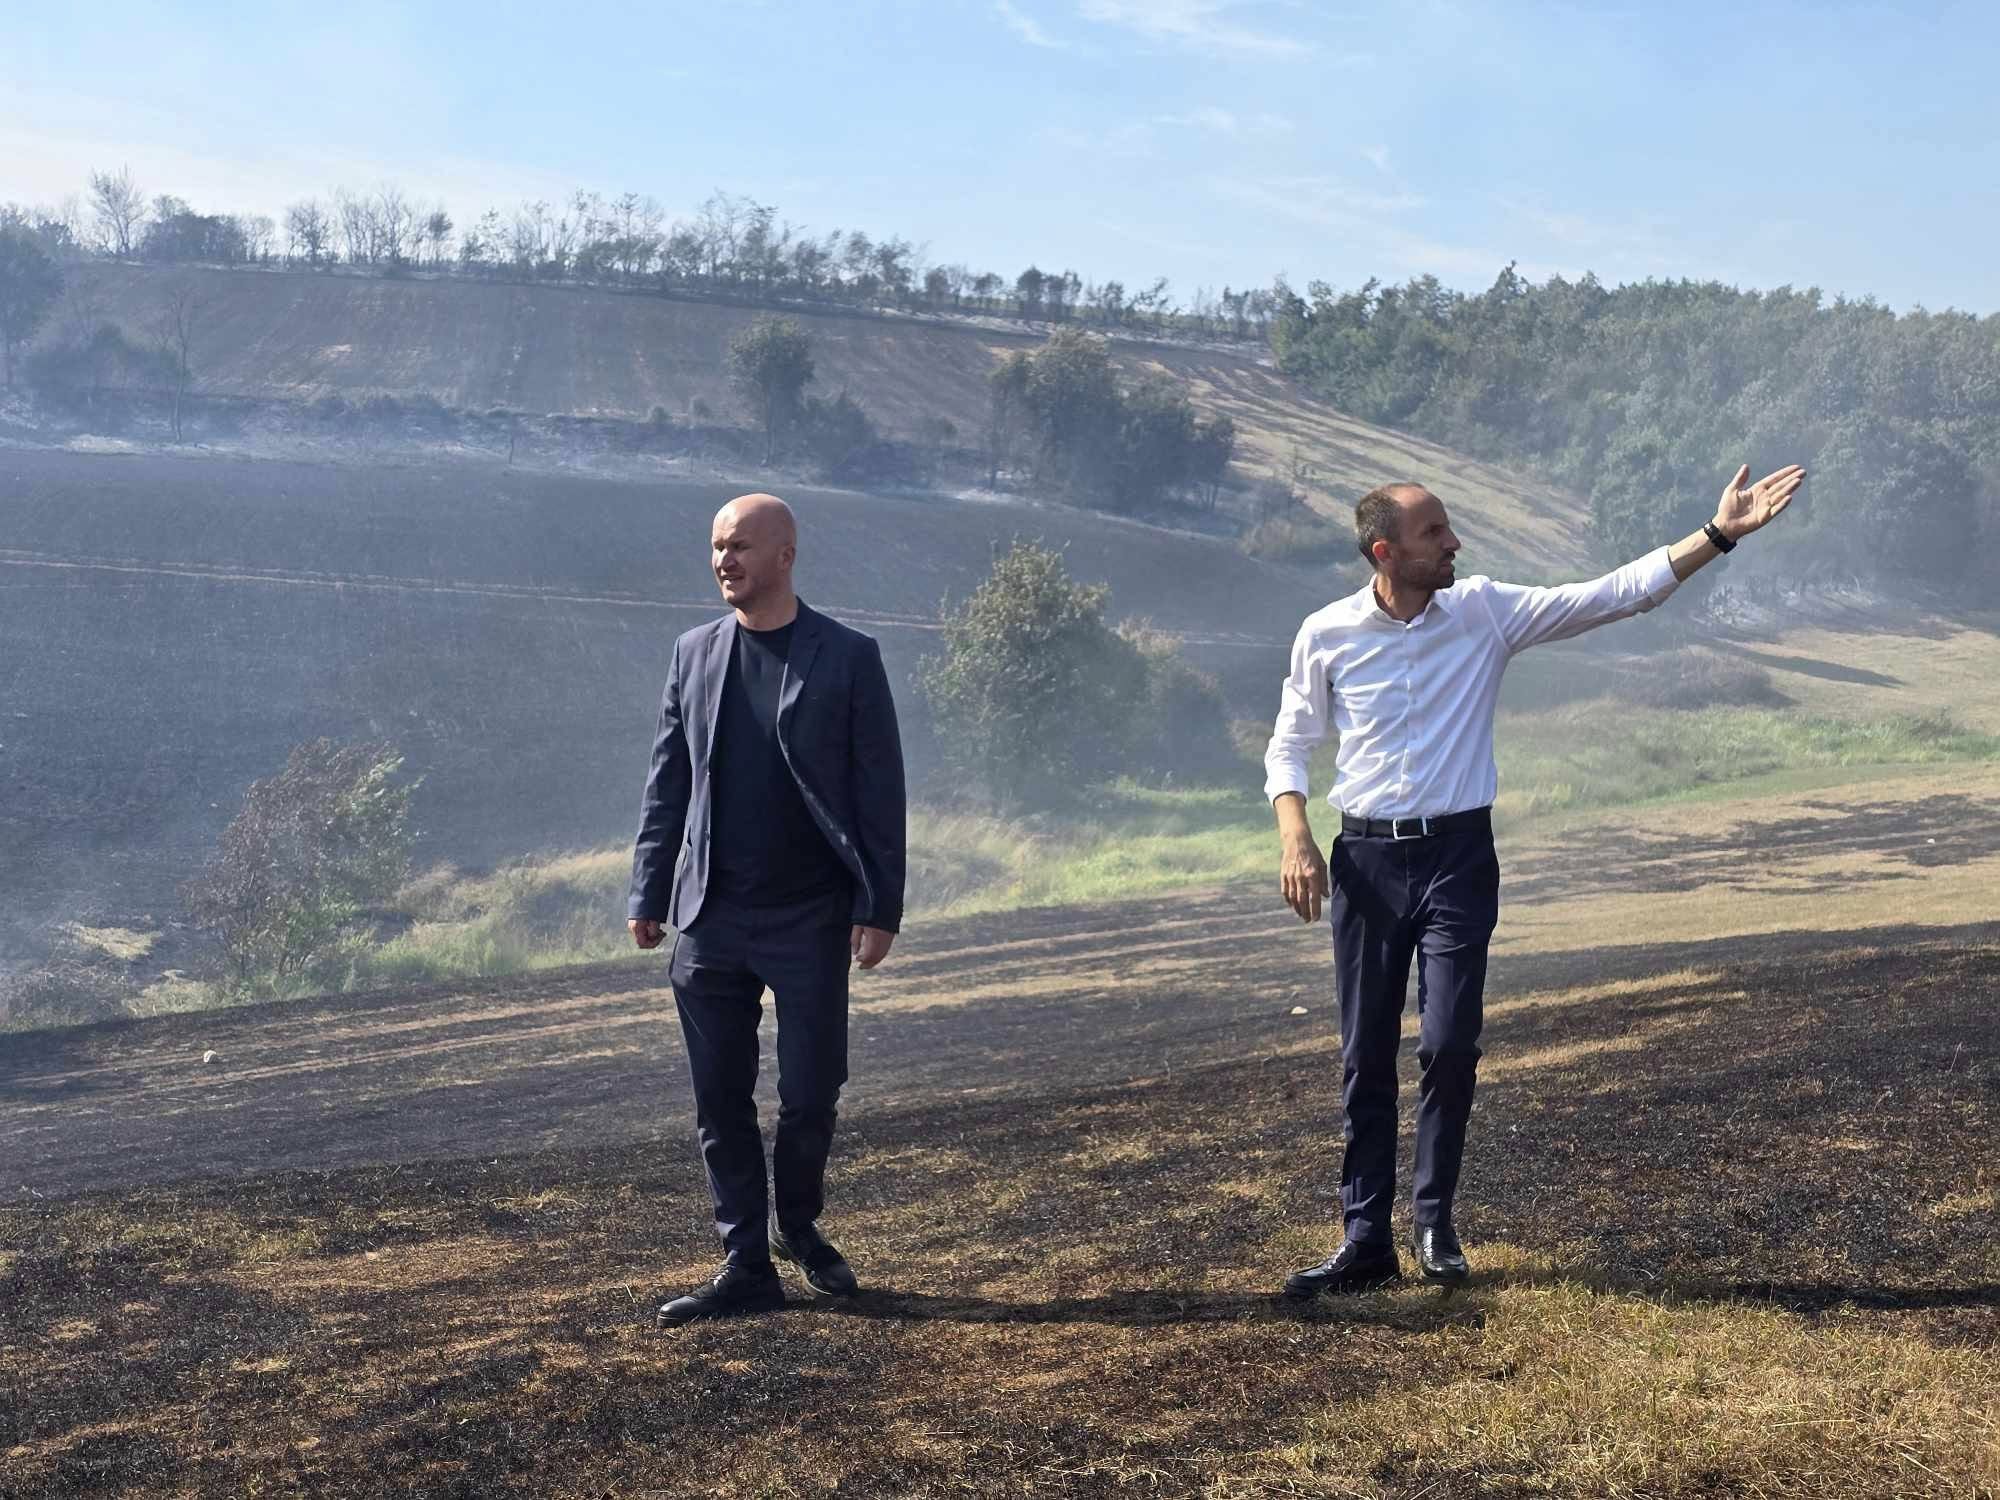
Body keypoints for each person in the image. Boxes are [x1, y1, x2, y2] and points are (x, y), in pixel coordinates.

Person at [1265, 464, 1804, 1296]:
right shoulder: (1325, 633)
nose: (1454, 543)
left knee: (1448, 1043)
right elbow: (1290, 743)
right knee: (1365, 1053)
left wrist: (1719, 534)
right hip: (1366, 862)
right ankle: (1365, 1239)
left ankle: (1435, 1223)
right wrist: (1295, 834)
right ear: (1385, 552)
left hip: (1457, 858)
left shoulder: (1482, 610)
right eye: (1434, 534)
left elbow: (1613, 594)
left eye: (1448, 529)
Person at [628, 492, 906, 1328]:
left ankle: (800, 1224)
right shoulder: (692, 653)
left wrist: (879, 905)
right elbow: (667, 779)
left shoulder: (849, 656)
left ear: (784, 554)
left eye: (741, 546)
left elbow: (878, 792)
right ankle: (745, 1259)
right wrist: (648, 890)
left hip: (811, 916)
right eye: (716, 547)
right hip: (709, 914)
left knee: (814, 1091)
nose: (724, 561)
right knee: (720, 1099)